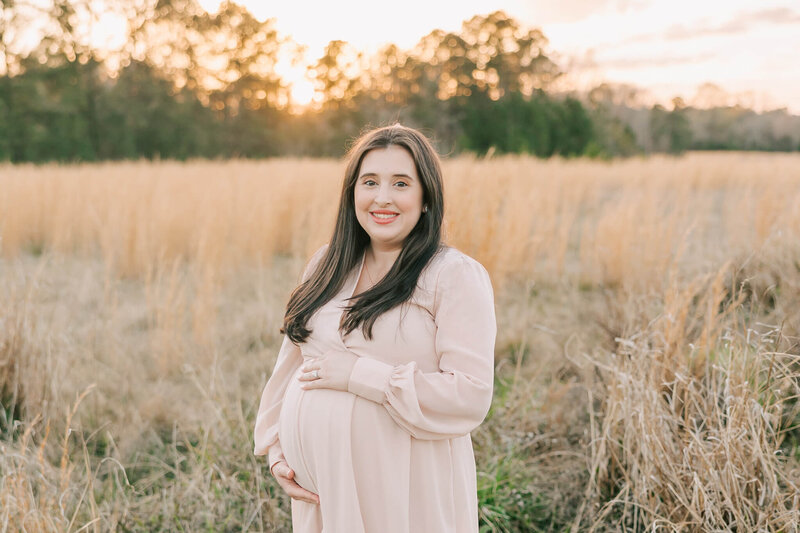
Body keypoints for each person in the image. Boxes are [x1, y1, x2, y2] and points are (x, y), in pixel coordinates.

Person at [253, 123, 497, 532]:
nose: (382, 198)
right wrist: (277, 450)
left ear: (425, 198)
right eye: (370, 182)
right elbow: (290, 366)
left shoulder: (452, 275)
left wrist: (360, 375)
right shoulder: (326, 264)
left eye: (401, 183)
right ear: (352, 194)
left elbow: (470, 394)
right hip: (323, 497)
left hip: (404, 490)